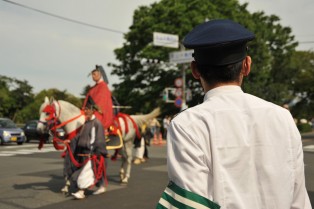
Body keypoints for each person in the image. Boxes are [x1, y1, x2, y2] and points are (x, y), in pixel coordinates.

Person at [157, 19, 311, 209]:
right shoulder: (283, 117)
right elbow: (299, 200)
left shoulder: (187, 125)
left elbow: (190, 204)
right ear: (247, 65)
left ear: (195, 70)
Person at [71, 97, 108, 199]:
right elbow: (79, 137)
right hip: (84, 152)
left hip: (92, 154)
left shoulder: (97, 123)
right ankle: (101, 186)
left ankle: (81, 192)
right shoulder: (86, 123)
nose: (85, 111)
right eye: (85, 109)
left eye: (87, 109)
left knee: (85, 173)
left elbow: (99, 140)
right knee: (91, 173)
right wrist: (68, 141)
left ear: (93, 110)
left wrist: (95, 152)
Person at [82, 65, 114, 130]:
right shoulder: (93, 87)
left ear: (100, 75)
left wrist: (90, 111)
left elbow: (100, 104)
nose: (92, 76)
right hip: (89, 110)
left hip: (98, 113)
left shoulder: (103, 87)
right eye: (92, 75)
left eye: (94, 74)